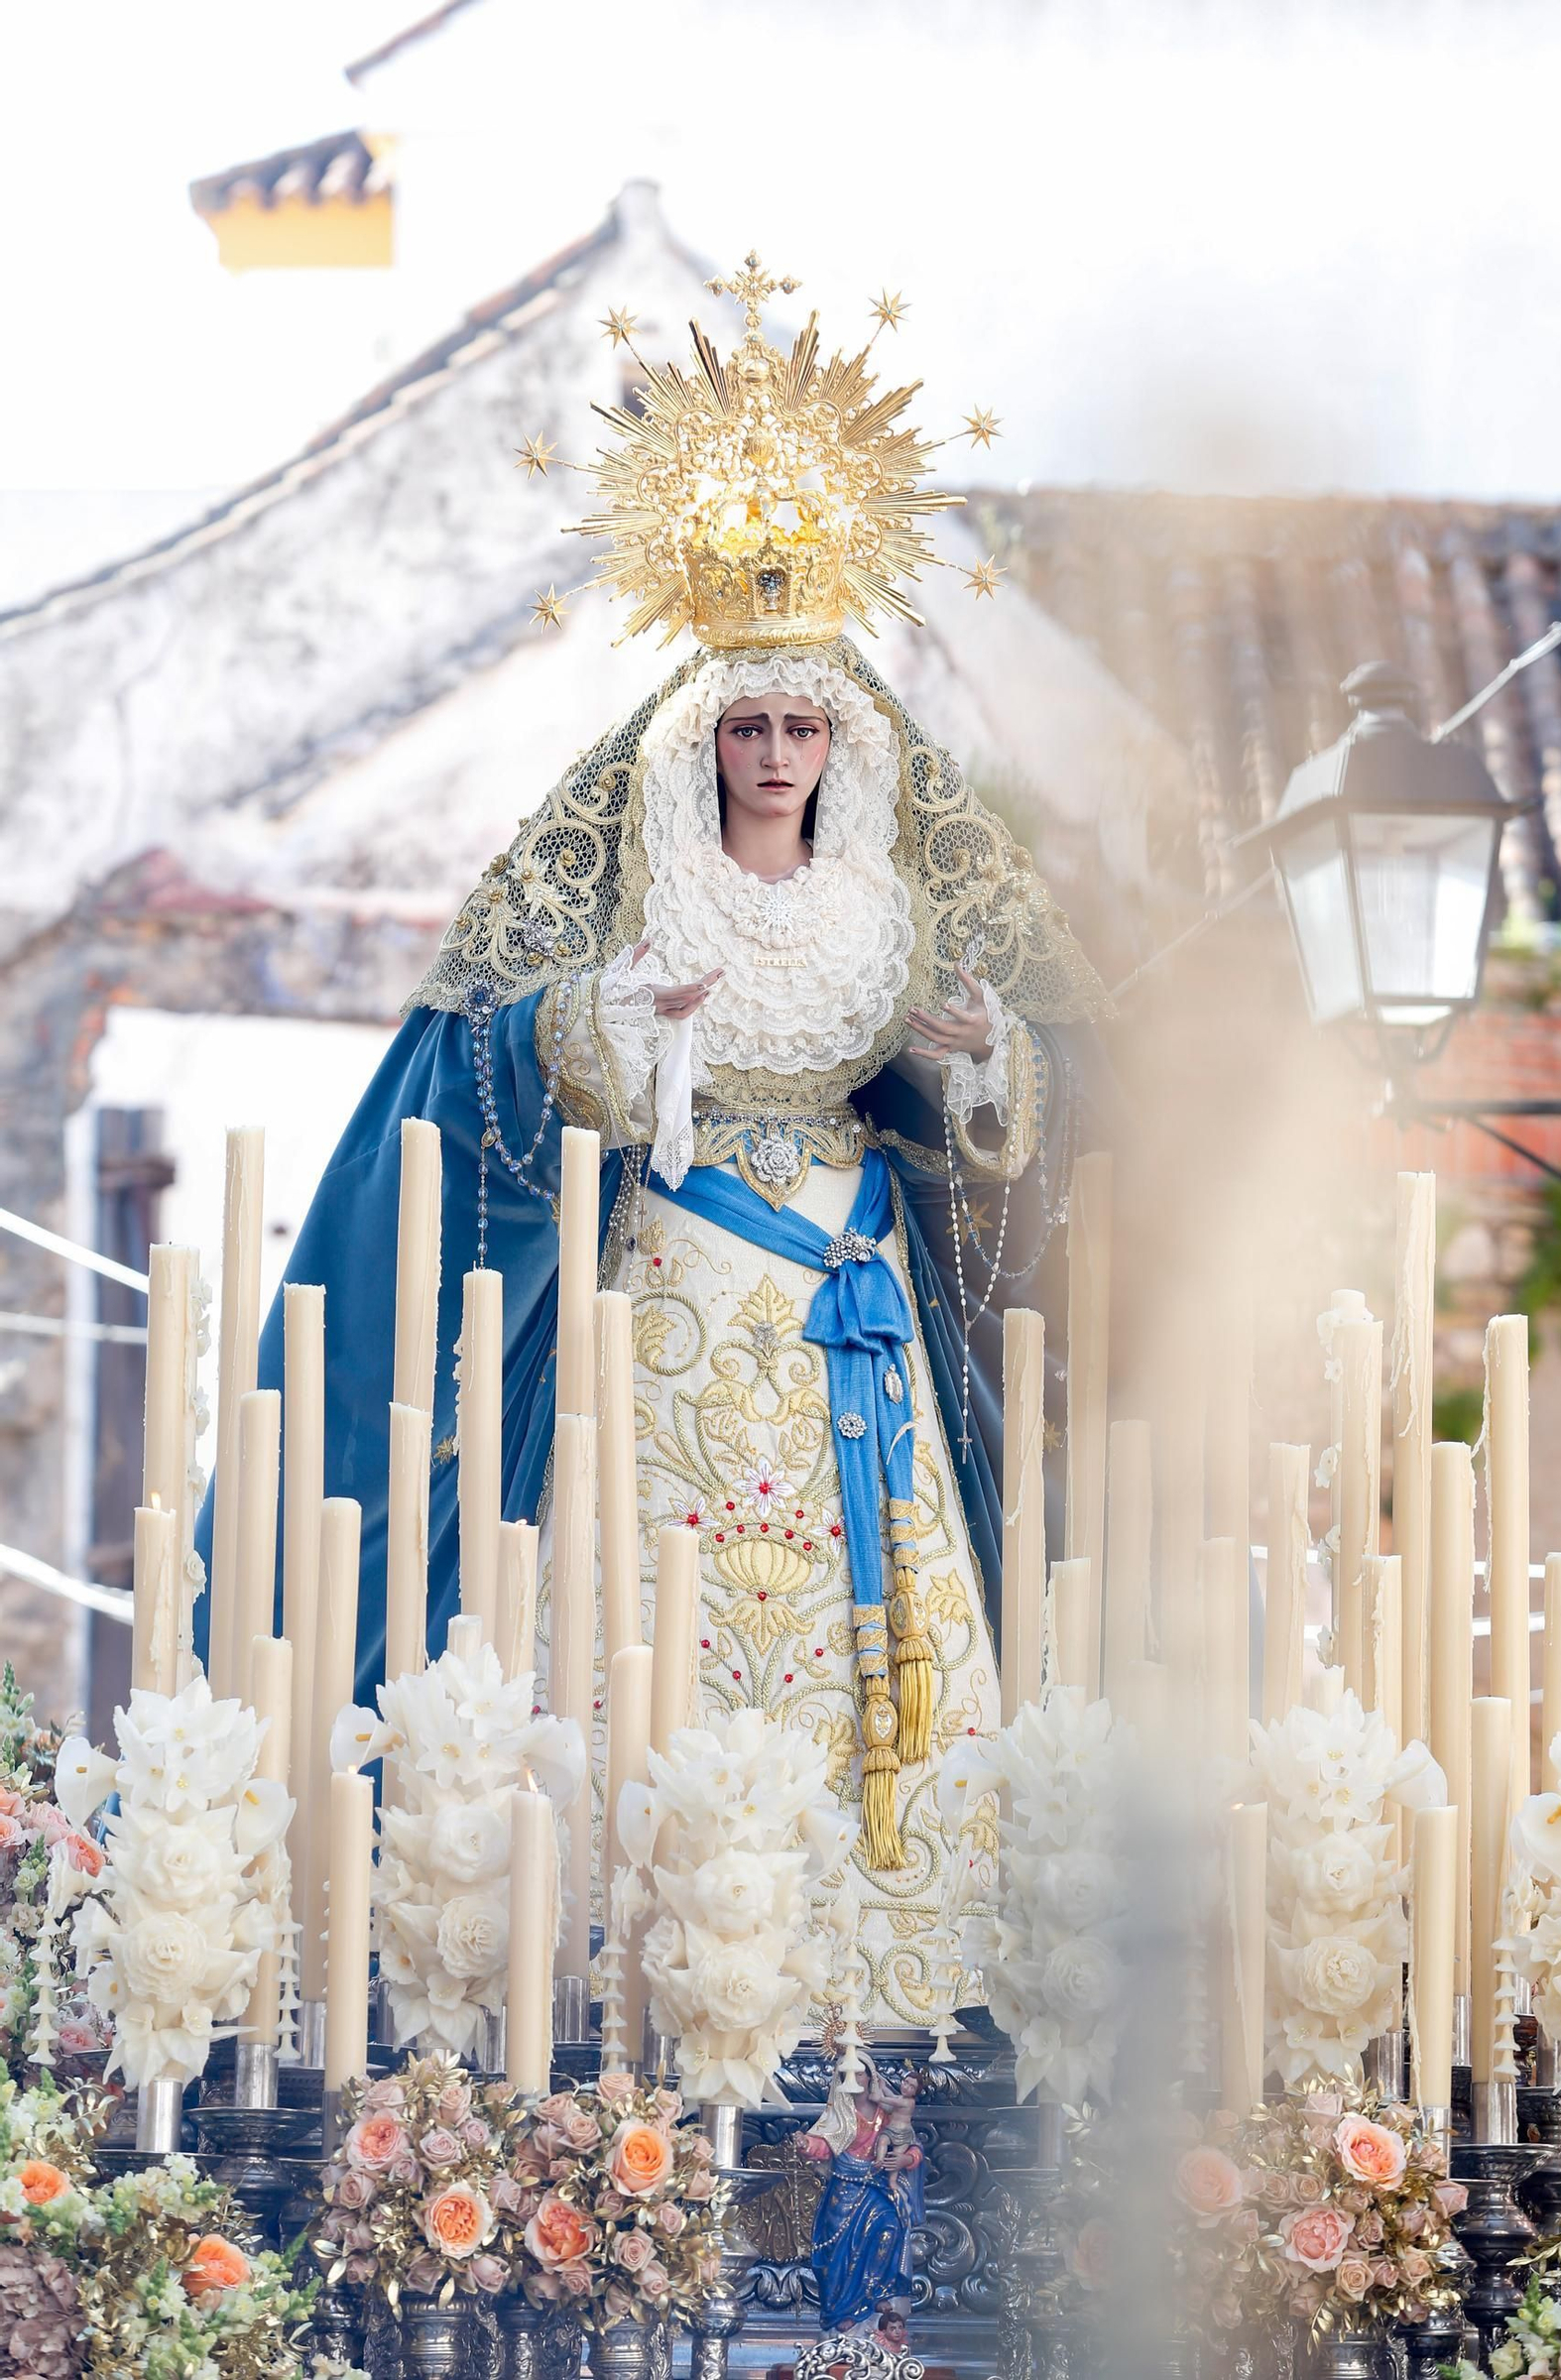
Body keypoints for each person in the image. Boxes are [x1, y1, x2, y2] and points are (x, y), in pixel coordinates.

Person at [205, 251, 1111, 2020]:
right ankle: (651, 1989)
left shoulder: (893, 907)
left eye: (803, 726)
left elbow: (984, 1131)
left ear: (843, 746)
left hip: (861, 1322)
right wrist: (606, 1032)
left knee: (894, 1631)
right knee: (656, 1629)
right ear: (705, 740)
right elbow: (488, 1071)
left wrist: (989, 1060)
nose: (776, 752)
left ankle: (893, 1995)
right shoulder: (636, 894)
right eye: (752, 724)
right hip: (679, 1306)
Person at [798, 2061, 925, 2336]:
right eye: (847, 2074)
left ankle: (874, 2295)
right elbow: (823, 2144)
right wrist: (807, 2145)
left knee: (889, 2228)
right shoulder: (839, 2113)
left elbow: (912, 2145)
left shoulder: (888, 2110)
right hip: (843, 2192)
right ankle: (842, 2311)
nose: (853, 2078)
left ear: (870, 2077)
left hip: (878, 2188)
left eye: (859, 2073)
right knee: (836, 2253)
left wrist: (905, 2158)